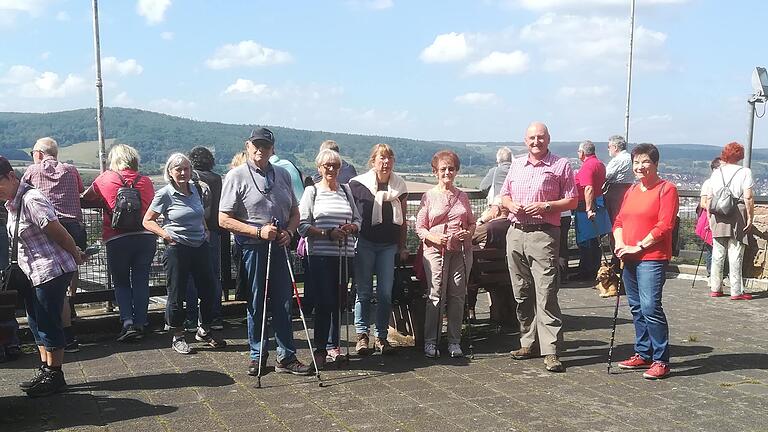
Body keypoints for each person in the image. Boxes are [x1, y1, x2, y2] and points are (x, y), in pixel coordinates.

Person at [219, 127, 311, 376]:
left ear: (273, 149)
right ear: (247, 146)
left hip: (279, 247)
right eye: (256, 145)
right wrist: (257, 232)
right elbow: (223, 219)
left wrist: (290, 232)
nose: (261, 150)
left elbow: (294, 211)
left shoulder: (281, 174)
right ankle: (258, 356)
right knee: (257, 303)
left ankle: (286, 357)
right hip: (252, 249)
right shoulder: (236, 176)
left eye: (266, 146)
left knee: (283, 303)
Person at [0, 156, 86, 397]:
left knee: (48, 321)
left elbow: (59, 233)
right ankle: (46, 369)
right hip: (32, 272)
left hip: (51, 269)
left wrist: (76, 255)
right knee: (36, 322)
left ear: (11, 176)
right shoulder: (13, 203)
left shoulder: (32, 199)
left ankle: (55, 375)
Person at [500, 122, 577, 373]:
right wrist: (510, 205)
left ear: (548, 139)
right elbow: (504, 195)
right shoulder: (517, 164)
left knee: (545, 293)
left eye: (540, 137)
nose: (536, 142)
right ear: (525, 140)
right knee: (521, 292)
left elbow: (572, 200)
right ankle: (528, 342)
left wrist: (546, 206)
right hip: (515, 233)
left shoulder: (560, 165)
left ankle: (551, 350)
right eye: (532, 138)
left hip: (544, 234)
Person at [143, 153, 227, 355]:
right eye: (178, 169)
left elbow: (199, 213)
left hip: (200, 246)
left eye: (186, 169)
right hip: (177, 249)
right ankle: (178, 336)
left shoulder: (195, 189)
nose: (182, 173)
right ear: (170, 173)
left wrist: (205, 229)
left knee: (208, 290)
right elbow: (148, 220)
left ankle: (204, 329)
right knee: (177, 293)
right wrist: (165, 235)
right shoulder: (165, 194)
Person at [613, 143, 678, 380]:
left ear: (656, 164)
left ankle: (661, 360)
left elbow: (664, 226)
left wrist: (638, 246)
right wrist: (620, 243)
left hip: (652, 258)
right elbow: (619, 220)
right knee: (637, 308)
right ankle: (643, 353)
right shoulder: (631, 190)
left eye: (645, 162)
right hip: (629, 257)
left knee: (651, 307)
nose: (640, 167)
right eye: (636, 162)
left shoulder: (666, 189)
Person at [82, 144, 156, 342]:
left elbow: (87, 197)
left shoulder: (105, 178)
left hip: (117, 237)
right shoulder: (146, 181)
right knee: (141, 280)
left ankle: (127, 322)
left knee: (121, 282)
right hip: (146, 236)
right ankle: (141, 322)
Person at [298, 149, 361, 367]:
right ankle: (320, 348)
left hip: (344, 255)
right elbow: (302, 225)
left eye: (335, 165)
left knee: (339, 303)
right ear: (319, 168)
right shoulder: (311, 192)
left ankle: (336, 346)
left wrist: (351, 227)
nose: (332, 169)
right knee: (324, 303)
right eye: (327, 166)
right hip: (321, 256)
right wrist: (327, 233)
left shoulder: (345, 190)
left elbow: (357, 219)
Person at [22, 137, 86, 353]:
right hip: (74, 227)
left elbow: (21, 194)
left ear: (38, 153)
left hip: (49, 228)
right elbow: (80, 191)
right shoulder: (71, 170)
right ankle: (72, 301)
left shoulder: (32, 170)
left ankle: (63, 335)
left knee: (52, 281)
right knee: (69, 273)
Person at [349, 144, 408, 356]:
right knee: (363, 291)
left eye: (389, 158)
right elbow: (351, 215)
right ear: (373, 161)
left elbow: (403, 223)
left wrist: (402, 246)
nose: (385, 162)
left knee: (384, 292)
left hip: (388, 246)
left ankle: (381, 336)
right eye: (381, 158)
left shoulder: (399, 186)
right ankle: (362, 335)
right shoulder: (358, 185)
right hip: (364, 242)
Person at [416, 150, 475, 358]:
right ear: (435, 172)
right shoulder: (428, 197)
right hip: (435, 251)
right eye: (443, 169)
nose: (447, 172)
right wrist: (433, 237)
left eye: (451, 168)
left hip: (460, 250)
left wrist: (468, 233)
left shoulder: (463, 196)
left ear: (456, 171)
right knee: (436, 294)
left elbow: (472, 222)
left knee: (458, 296)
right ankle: (431, 341)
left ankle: (454, 341)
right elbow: (420, 228)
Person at [706, 142, 754, 300]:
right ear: (740, 155)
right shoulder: (744, 172)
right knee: (735, 253)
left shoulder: (717, 172)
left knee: (717, 253)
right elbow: (748, 197)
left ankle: (715, 288)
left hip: (718, 213)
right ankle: (736, 291)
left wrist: (708, 215)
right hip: (737, 213)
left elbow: (710, 196)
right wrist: (750, 218)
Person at [184, 147, 225, 332]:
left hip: (193, 232)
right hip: (214, 231)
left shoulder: (191, 179)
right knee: (213, 275)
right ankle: (215, 316)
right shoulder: (217, 179)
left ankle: (192, 318)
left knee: (191, 276)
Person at [572, 140, 607, 281]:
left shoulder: (587, 166)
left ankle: (586, 271)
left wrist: (588, 208)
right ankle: (593, 268)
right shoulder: (600, 164)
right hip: (599, 204)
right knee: (594, 241)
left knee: (585, 241)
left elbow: (588, 188)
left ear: (582, 152)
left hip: (586, 207)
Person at [697, 158, 721, 276]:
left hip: (718, 217)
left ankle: (717, 273)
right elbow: (703, 203)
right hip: (709, 217)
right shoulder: (708, 183)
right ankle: (711, 273)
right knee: (711, 248)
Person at [603, 135, 633, 223]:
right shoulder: (631, 157)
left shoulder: (618, 160)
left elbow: (605, 176)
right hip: (629, 190)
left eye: (609, 147)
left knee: (614, 220)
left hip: (615, 193)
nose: (608, 149)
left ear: (615, 147)